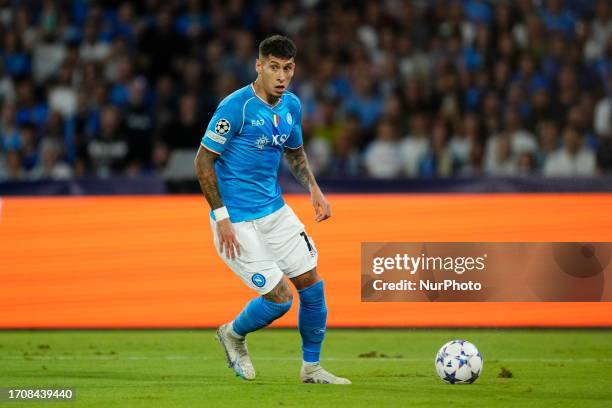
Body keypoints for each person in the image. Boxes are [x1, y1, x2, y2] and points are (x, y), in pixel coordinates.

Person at [194, 35, 350, 385]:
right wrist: (221, 219)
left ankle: (311, 369)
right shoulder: (236, 107)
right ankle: (232, 334)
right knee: (280, 299)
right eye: (274, 67)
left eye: (288, 68)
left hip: (275, 211)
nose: (281, 76)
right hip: (236, 220)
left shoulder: (291, 106)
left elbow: (294, 152)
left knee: (312, 286)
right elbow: (203, 161)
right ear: (259, 66)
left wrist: (313, 189)